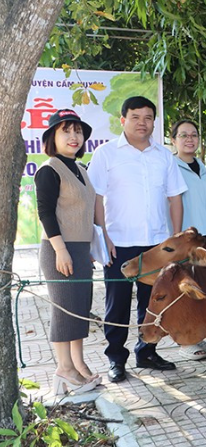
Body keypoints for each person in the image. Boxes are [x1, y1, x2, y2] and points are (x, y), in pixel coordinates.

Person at [88, 96, 187, 383]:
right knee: (116, 304)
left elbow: (175, 198)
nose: (142, 122)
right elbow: (96, 197)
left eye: (148, 117)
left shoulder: (164, 156)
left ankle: (147, 351)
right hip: (118, 242)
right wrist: (102, 235)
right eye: (135, 116)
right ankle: (116, 358)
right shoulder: (106, 154)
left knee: (153, 302)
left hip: (156, 244)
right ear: (123, 120)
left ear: (154, 122)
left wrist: (175, 240)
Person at [35, 109, 101, 394]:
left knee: (79, 311)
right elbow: (45, 213)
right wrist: (61, 250)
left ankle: (76, 365)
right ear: (52, 137)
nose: (74, 137)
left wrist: (84, 250)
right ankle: (63, 369)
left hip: (79, 249)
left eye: (78, 131)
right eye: (66, 131)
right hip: (57, 249)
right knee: (64, 310)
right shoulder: (49, 169)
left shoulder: (80, 169)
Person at [170, 119, 206, 360]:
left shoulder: (203, 166)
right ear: (174, 140)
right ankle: (186, 341)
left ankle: (199, 336)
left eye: (194, 135)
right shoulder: (171, 166)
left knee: (203, 289)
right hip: (185, 238)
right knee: (186, 289)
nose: (189, 139)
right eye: (183, 135)